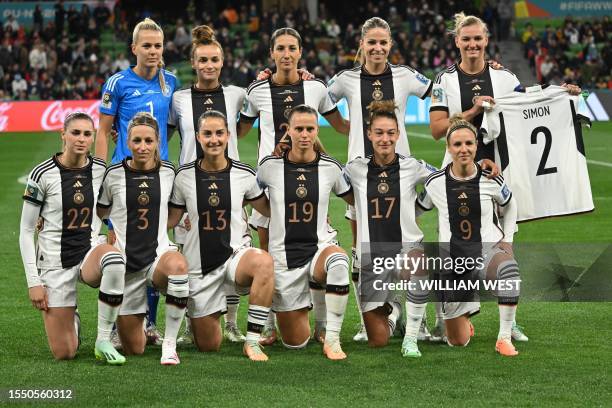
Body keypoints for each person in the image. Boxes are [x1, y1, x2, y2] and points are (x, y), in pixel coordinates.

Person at [428, 12, 536, 342]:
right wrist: (473, 112)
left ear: (486, 41)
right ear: (457, 42)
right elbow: (435, 130)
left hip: (498, 169)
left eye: (478, 38)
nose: (472, 44)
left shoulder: (504, 79)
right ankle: (445, 315)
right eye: (466, 39)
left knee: (505, 237)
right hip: (457, 174)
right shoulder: (443, 81)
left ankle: (510, 321)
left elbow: (528, 114)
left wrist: (565, 96)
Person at [239, 27, 349, 343]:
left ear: (300, 53)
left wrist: (375, 128)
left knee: (315, 244)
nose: (286, 54)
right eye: (281, 49)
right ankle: (269, 325)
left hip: (307, 182)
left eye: (292, 49)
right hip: (268, 186)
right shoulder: (257, 90)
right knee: (267, 256)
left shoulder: (315, 88)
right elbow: (241, 131)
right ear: (272, 53)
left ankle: (323, 324)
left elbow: (339, 125)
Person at [327, 16, 433, 342]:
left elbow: (439, 92)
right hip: (360, 177)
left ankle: (418, 321)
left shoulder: (403, 76)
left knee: (409, 245)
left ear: (390, 45)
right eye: (371, 42)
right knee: (364, 251)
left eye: (382, 42)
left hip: (401, 174)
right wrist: (345, 129)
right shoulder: (346, 79)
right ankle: (372, 317)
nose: (376, 48)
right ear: (362, 44)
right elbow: (319, 100)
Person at [96, 17, 179, 345]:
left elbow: (170, 125)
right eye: (146, 45)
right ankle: (115, 325)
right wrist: (99, 172)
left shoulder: (169, 81)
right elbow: (103, 130)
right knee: (120, 250)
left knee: (154, 248)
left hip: (157, 178)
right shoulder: (117, 83)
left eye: (158, 45)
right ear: (134, 49)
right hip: (122, 177)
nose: (153, 51)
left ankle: (150, 323)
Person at [19, 112, 126, 365]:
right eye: (75, 133)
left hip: (88, 251)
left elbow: (117, 200)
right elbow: (25, 230)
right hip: (55, 261)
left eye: (87, 134)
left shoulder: (100, 170)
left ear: (93, 139)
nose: (81, 139)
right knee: (65, 352)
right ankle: (71, 317)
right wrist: (34, 282)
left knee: (114, 260)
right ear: (63, 134)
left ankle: (103, 339)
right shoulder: (42, 174)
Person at [168, 110, 275, 361]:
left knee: (263, 262)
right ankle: (203, 320)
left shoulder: (244, 174)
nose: (214, 139)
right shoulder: (183, 176)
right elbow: (171, 219)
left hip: (236, 256)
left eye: (219, 133)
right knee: (209, 345)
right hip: (200, 266)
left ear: (228, 136)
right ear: (198, 137)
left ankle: (252, 341)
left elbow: (269, 210)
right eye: (207, 134)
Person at [169, 24, 250, 343]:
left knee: (233, 249)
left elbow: (244, 131)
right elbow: (168, 135)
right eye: (202, 60)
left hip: (229, 186)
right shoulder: (178, 99)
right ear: (193, 62)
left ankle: (230, 323)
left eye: (214, 59)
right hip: (190, 189)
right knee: (190, 257)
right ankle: (192, 321)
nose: (209, 65)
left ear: (223, 60)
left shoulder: (236, 95)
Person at [417, 115, 521, 357]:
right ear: (448, 148)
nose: (464, 149)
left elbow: (510, 205)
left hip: (487, 251)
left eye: (469, 144)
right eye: (457, 145)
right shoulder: (434, 183)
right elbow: (415, 211)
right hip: (453, 261)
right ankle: (463, 314)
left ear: (476, 145)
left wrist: (507, 241)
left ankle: (504, 338)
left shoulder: (490, 177)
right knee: (458, 341)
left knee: (509, 270)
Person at [257, 105, 354, 360]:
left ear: (316, 131)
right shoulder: (269, 166)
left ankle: (331, 337)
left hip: (319, 249)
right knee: (295, 343)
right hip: (284, 260)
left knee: (339, 261)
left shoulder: (331, 167)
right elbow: (244, 197)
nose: (304, 134)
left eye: (309, 129)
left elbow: (356, 199)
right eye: (298, 128)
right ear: (288, 131)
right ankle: (301, 308)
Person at [96, 112, 189, 365]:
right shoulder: (114, 174)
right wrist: (109, 229)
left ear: (158, 140)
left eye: (149, 140)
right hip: (126, 265)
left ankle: (169, 345)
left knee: (178, 266)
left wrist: (176, 221)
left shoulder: (170, 172)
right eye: (137, 141)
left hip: (158, 258)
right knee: (135, 349)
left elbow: (176, 209)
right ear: (127, 141)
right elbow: (101, 211)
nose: (143, 147)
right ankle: (121, 323)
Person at [344, 100, 437, 349]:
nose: (385, 139)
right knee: (378, 341)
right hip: (372, 258)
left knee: (419, 262)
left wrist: (420, 207)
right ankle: (394, 311)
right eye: (379, 133)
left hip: (405, 251)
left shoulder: (412, 166)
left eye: (390, 133)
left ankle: (414, 332)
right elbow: (324, 174)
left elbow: (444, 179)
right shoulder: (354, 169)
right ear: (369, 134)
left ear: (398, 135)